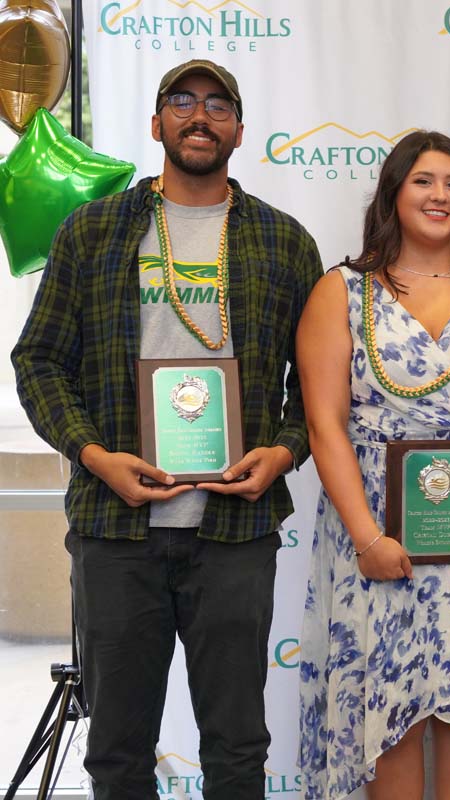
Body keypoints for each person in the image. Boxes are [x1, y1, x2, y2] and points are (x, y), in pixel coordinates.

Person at [11, 59, 322, 798]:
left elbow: (317, 388)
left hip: (234, 535)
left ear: (239, 132)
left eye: (218, 106)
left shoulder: (284, 244)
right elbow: (40, 362)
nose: (199, 116)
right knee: (117, 752)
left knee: (239, 750)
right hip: (116, 531)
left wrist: (280, 452)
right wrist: (96, 457)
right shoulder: (91, 233)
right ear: (156, 125)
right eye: (181, 102)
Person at [296, 130, 450, 800]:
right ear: (393, 192)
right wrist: (367, 539)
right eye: (424, 181)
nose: (440, 196)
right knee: (388, 737)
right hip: (377, 544)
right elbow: (325, 426)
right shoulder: (340, 292)